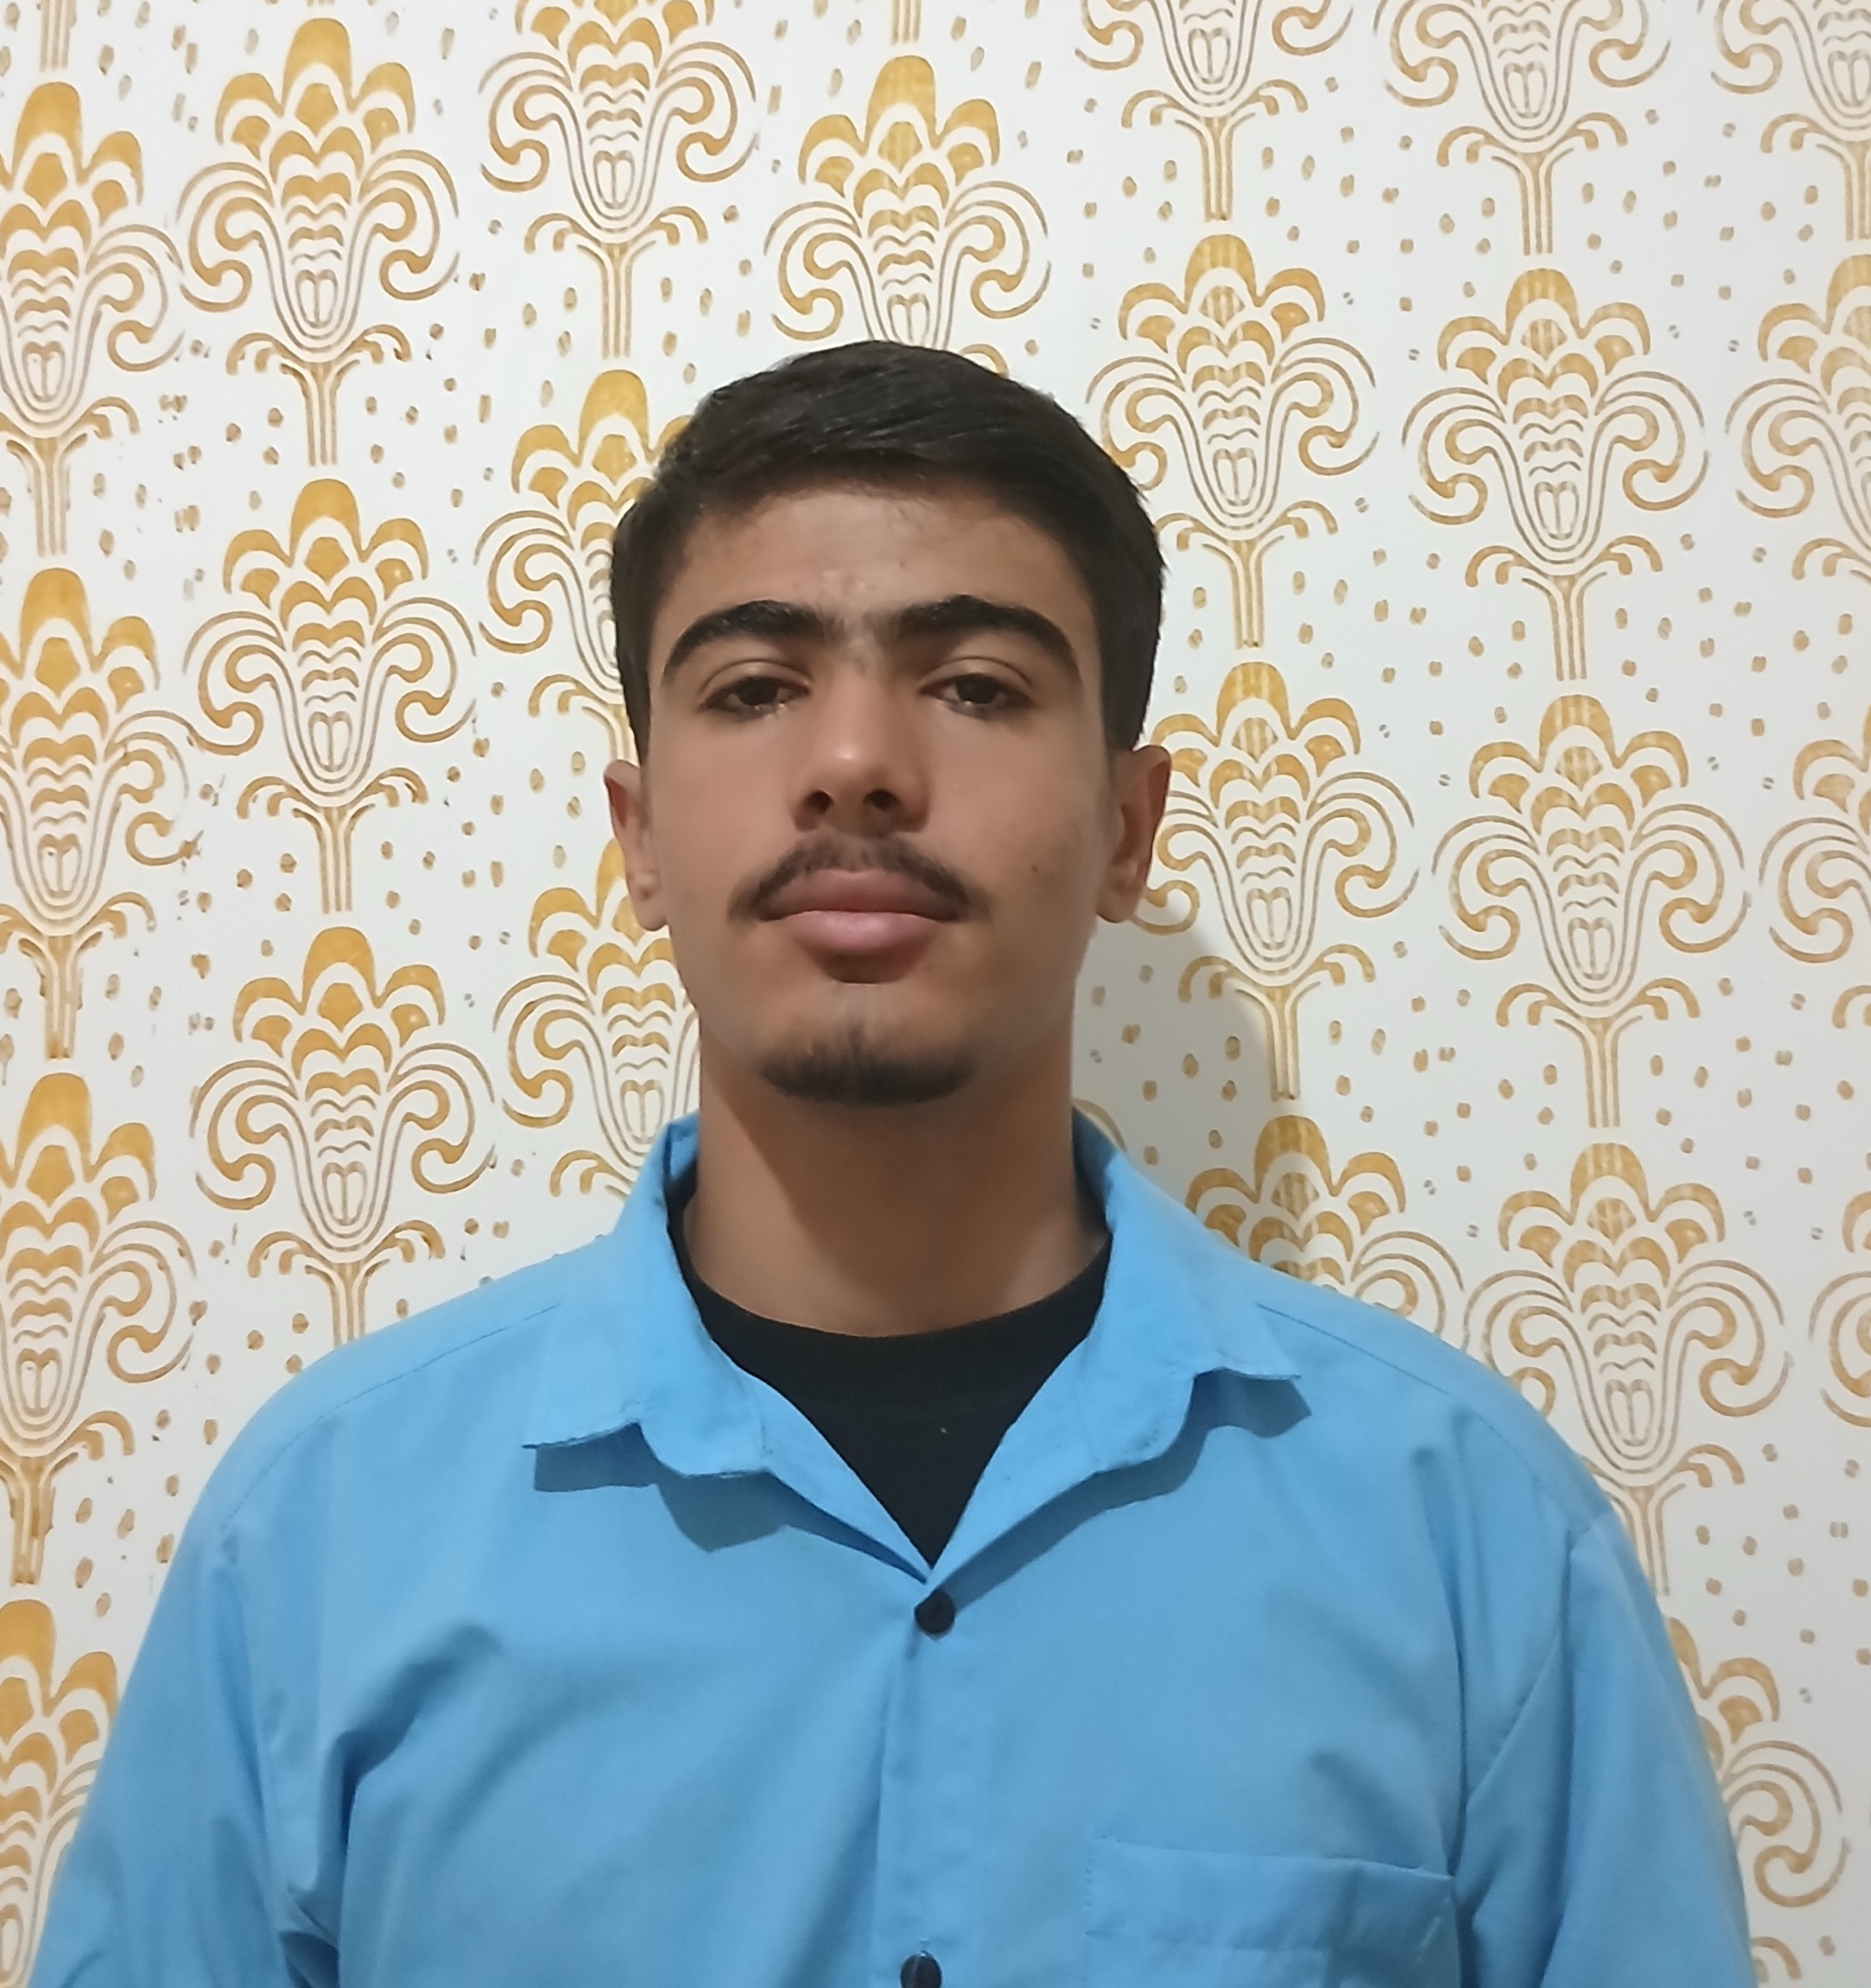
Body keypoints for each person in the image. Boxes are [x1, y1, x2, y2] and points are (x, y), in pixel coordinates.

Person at [36, 341, 1751, 1988]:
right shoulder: (323, 1534)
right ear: (639, 837)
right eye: (755, 687)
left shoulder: (1469, 1534)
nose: (855, 763)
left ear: (1128, 830)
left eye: (977, 684)